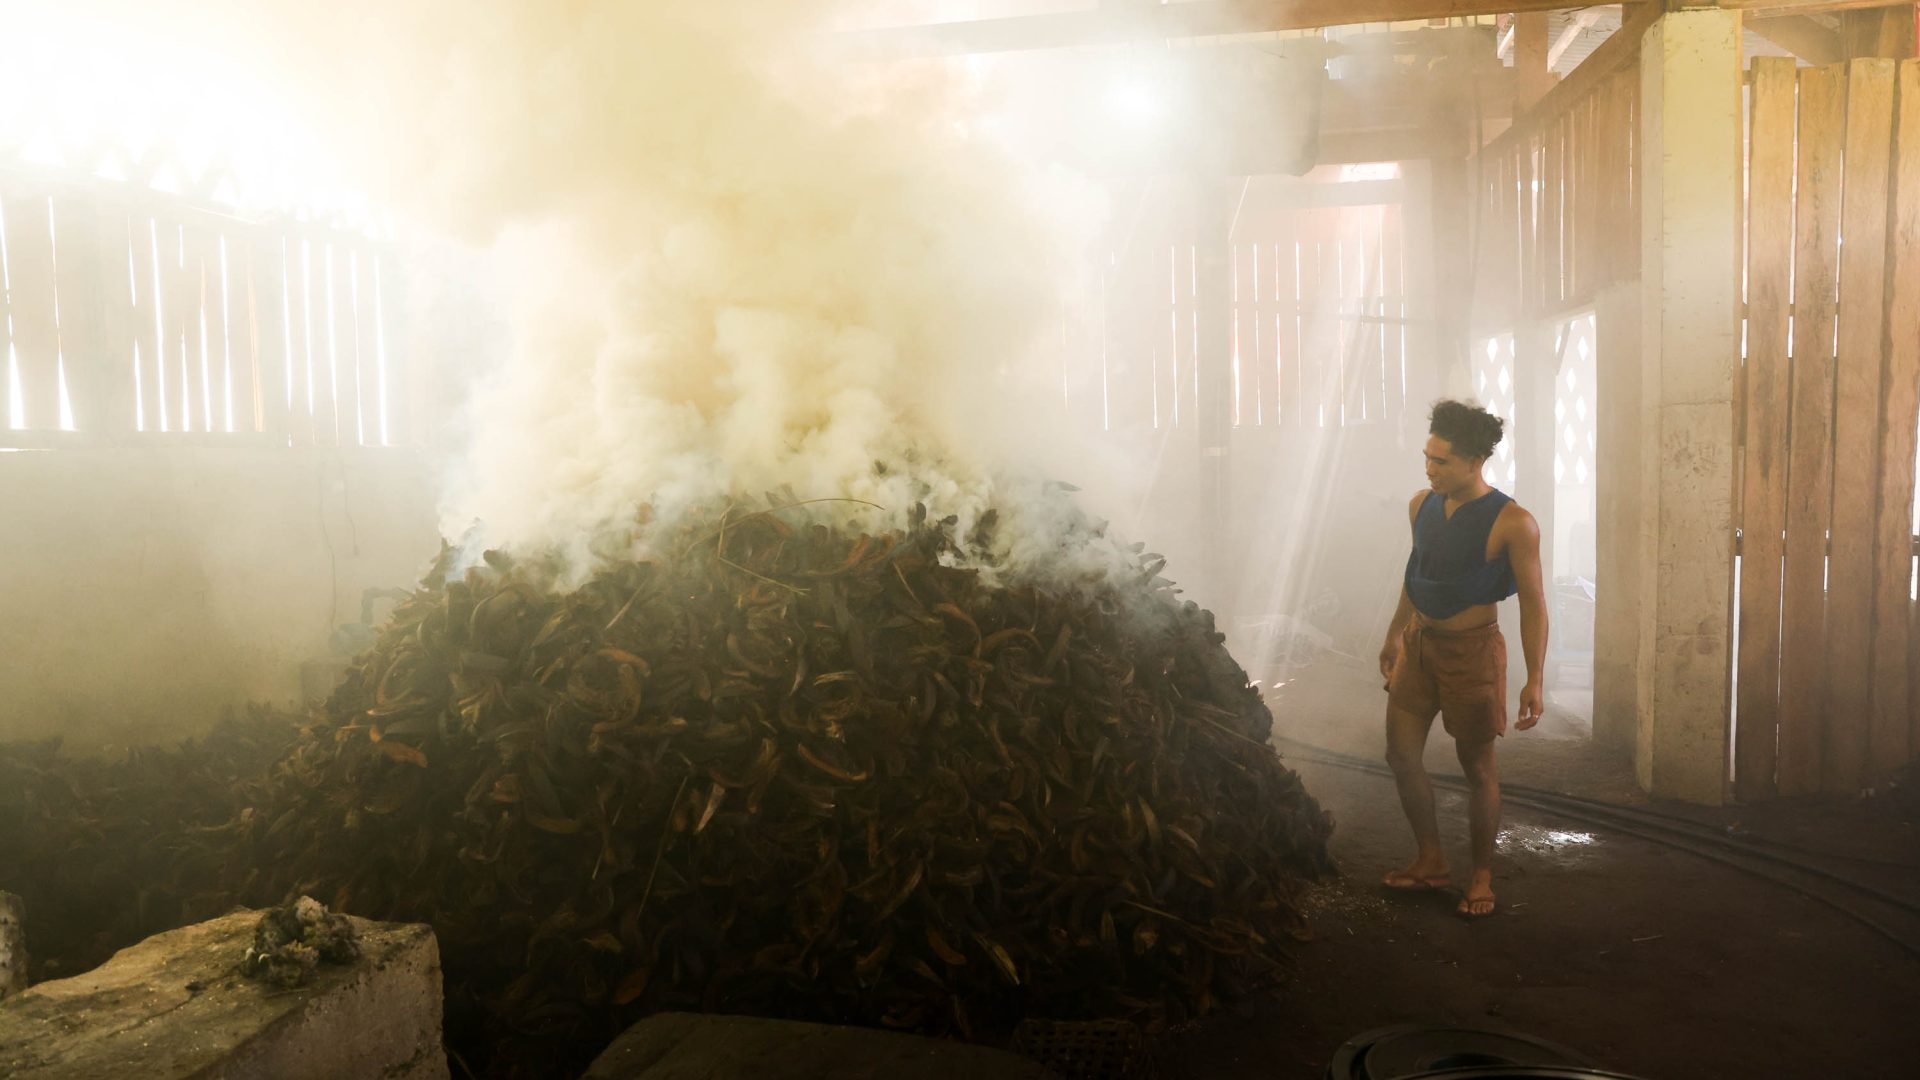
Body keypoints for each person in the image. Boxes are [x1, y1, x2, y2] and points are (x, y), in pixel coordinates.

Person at [1376, 399, 1548, 918]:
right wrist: (1395, 635)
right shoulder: (1420, 505)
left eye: (1441, 461)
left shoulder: (1514, 522)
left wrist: (1534, 678)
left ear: (1475, 461)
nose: (1429, 468)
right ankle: (1430, 859)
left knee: (1477, 767)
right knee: (1401, 755)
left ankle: (1480, 875)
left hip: (1472, 655)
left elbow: (1535, 605)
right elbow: (1418, 572)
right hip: (1420, 644)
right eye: (1427, 457)